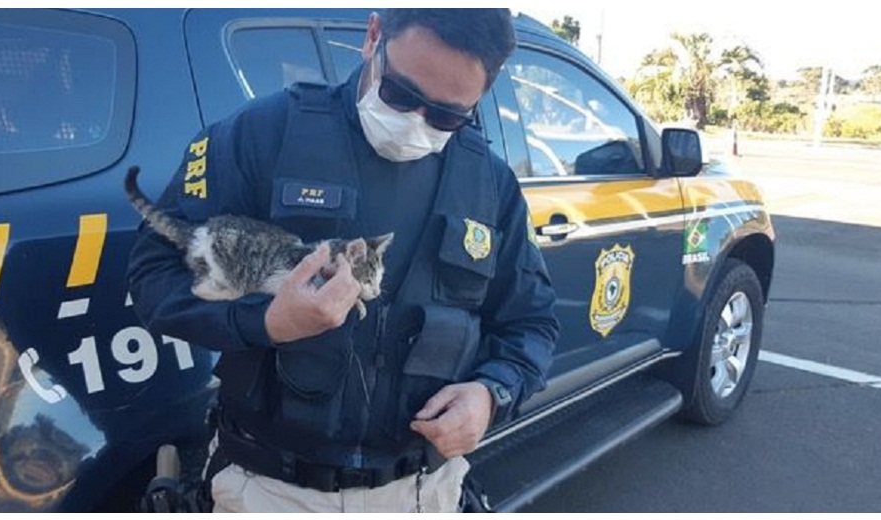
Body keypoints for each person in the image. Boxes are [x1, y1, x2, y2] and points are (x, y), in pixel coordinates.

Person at [128, 8, 558, 513]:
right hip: (271, 491)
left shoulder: (490, 184)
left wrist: (491, 395)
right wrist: (264, 322)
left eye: (446, 115)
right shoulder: (262, 133)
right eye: (401, 95)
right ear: (372, 36)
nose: (416, 124)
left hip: (423, 492)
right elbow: (152, 274)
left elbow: (530, 322)